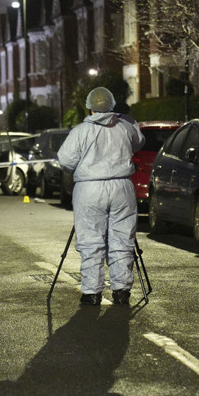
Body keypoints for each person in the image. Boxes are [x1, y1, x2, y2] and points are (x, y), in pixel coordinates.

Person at [57, 87, 145, 306]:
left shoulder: (80, 131)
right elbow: (139, 141)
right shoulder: (124, 127)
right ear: (112, 105)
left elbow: (65, 160)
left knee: (91, 240)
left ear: (90, 108)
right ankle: (122, 290)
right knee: (122, 239)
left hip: (90, 188)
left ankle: (92, 291)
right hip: (122, 187)